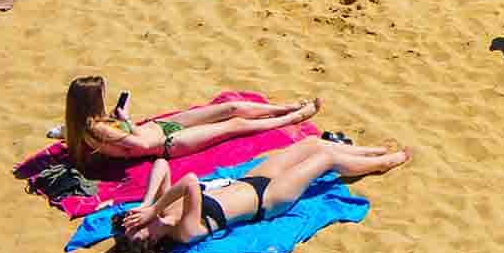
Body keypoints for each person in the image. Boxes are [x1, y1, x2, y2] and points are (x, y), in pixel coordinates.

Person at [108, 135, 408, 253]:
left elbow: (160, 164)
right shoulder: (184, 231)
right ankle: (384, 162)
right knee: (326, 159)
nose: (136, 224)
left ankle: (371, 152)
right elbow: (188, 181)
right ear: (152, 240)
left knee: (314, 143)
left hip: (252, 180)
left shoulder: (161, 211)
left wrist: (148, 204)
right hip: (270, 200)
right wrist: (155, 208)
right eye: (138, 231)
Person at [63, 78, 320, 175]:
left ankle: (285, 107)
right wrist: (126, 119)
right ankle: (292, 118)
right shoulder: (98, 129)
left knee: (230, 108)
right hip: (167, 143)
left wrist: (120, 120)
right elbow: (139, 144)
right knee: (235, 124)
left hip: (161, 127)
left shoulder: (81, 126)